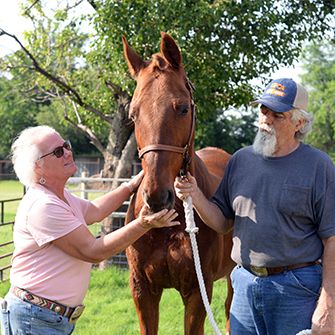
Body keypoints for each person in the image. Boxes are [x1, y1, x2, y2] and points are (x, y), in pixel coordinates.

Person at [174, 78, 335, 335]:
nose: (266, 119)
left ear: (299, 123)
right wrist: (195, 195)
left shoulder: (319, 166)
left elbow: (332, 239)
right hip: (244, 285)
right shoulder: (241, 160)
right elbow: (223, 222)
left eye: (277, 115)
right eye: (263, 110)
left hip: (296, 289)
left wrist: (329, 304)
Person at [0, 125, 179, 335]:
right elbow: (93, 251)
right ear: (37, 166)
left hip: (45, 316)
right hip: (36, 318)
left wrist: (130, 186)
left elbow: (94, 211)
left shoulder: (60, 196)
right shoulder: (44, 206)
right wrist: (143, 224)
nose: (68, 152)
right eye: (58, 152)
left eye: (65, 146)